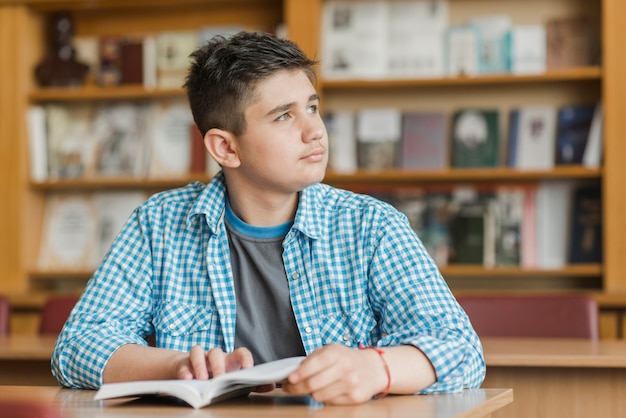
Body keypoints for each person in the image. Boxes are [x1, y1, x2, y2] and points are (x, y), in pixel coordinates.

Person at [51, 31, 485, 405]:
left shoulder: (372, 226)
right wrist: (180, 366)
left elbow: (461, 350)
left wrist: (377, 368)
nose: (314, 130)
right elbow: (76, 348)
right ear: (225, 148)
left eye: (312, 108)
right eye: (284, 116)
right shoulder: (158, 225)